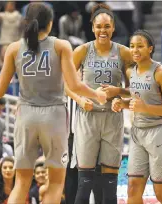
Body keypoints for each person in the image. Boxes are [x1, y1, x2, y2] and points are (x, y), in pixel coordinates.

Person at [0, 2, 107, 204]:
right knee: (55, 183)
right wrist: (97, 95)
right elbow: (75, 85)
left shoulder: (14, 48)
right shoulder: (61, 45)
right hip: (54, 116)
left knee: (21, 183)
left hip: (26, 115)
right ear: (51, 22)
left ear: (26, 22)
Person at [66, 3, 133, 204]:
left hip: (113, 117)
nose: (102, 30)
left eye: (107, 26)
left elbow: (136, 89)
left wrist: (121, 97)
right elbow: (64, 83)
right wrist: (80, 99)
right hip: (87, 117)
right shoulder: (81, 51)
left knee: (110, 183)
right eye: (99, 26)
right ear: (92, 28)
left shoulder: (124, 53)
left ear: (113, 28)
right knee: (84, 181)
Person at [111, 29, 162, 204]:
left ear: (150, 48)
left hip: (161, 133)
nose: (135, 50)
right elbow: (137, 99)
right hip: (138, 133)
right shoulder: (130, 72)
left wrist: (145, 107)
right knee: (133, 188)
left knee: (161, 193)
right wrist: (122, 103)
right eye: (132, 46)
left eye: (140, 46)